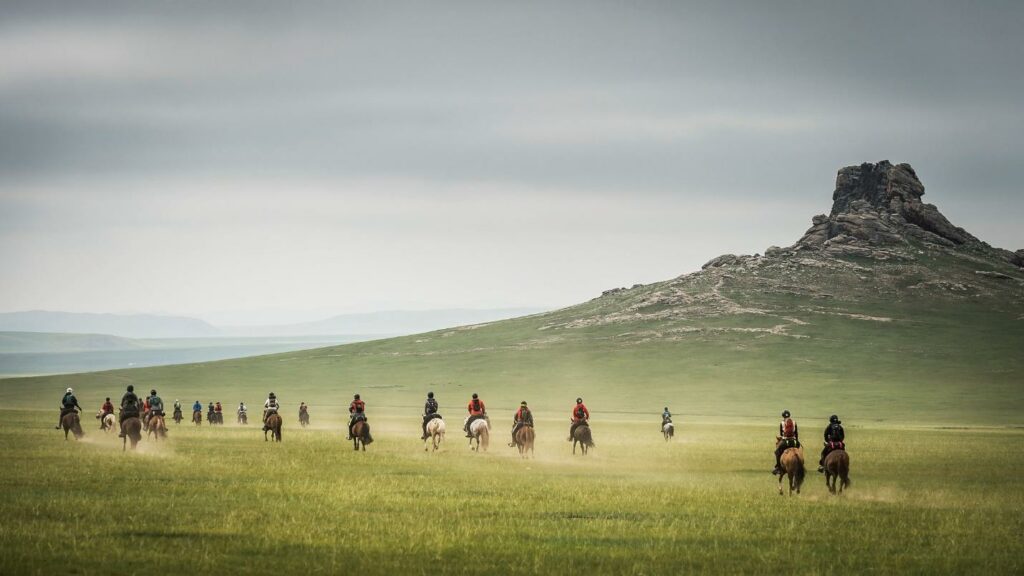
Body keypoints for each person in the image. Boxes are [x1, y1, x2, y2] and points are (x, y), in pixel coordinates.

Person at [772, 409, 801, 475]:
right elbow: (796, 433)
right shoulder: (794, 422)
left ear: (783, 416)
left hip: (785, 441)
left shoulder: (782, 423)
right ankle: (800, 463)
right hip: (794, 441)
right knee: (799, 450)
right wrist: (796, 441)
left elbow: (781, 434)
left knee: (777, 452)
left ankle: (778, 467)